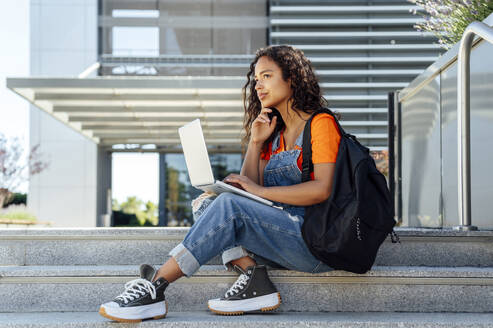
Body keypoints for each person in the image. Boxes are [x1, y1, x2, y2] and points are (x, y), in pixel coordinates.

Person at [98, 45, 341, 323]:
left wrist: (258, 191)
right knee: (208, 203)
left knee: (227, 206)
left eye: (267, 76)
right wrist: (256, 141)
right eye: (256, 79)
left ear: (292, 79)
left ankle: (157, 285)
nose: (258, 85)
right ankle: (253, 275)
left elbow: (321, 189)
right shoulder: (275, 135)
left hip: (313, 243)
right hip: (279, 238)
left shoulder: (321, 124)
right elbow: (247, 188)